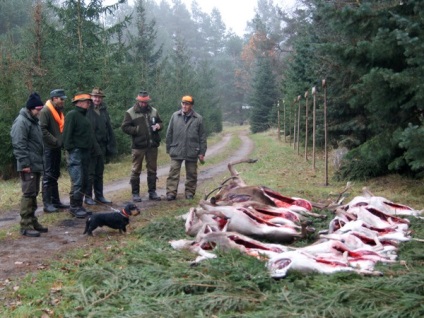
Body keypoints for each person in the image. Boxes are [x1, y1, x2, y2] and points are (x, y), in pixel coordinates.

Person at [10, 92, 48, 237]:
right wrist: (25, 163)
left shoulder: (34, 121)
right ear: (31, 108)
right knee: (28, 194)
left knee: (33, 193)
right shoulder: (21, 122)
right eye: (38, 109)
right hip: (28, 165)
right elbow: (19, 144)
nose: (39, 112)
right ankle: (25, 225)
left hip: (36, 164)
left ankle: (33, 220)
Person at [121, 91, 162, 202]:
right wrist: (136, 130)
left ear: (148, 101)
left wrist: (159, 126)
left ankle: (152, 192)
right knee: (136, 170)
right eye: (141, 102)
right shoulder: (130, 112)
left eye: (145, 102)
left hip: (152, 145)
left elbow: (161, 123)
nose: (143, 104)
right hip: (138, 146)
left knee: (152, 170)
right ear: (138, 101)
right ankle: (135, 193)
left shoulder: (154, 111)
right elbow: (124, 127)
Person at [165, 95, 207, 201]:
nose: (184, 106)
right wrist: (168, 148)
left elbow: (202, 136)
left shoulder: (198, 118)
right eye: (183, 103)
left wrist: (202, 152)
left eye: (187, 104)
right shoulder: (175, 116)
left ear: (191, 105)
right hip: (176, 149)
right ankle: (171, 193)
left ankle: (190, 192)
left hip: (192, 150)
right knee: (173, 173)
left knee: (192, 173)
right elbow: (169, 133)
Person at [63, 93, 95, 218]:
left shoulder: (85, 116)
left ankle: (79, 205)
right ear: (79, 103)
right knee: (77, 180)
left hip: (85, 152)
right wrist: (70, 150)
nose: (89, 103)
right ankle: (74, 206)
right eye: (87, 101)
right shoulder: (72, 115)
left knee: (85, 179)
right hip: (75, 152)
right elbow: (67, 134)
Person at [84, 87, 116, 205]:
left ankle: (99, 195)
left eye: (99, 97)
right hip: (91, 147)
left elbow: (108, 128)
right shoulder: (87, 110)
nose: (97, 99)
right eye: (95, 97)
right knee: (90, 173)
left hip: (102, 146)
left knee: (99, 172)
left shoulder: (103, 110)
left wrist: (110, 144)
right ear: (91, 97)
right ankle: (88, 196)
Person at [39, 89, 70, 213]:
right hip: (48, 148)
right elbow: (42, 129)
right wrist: (55, 141)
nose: (63, 101)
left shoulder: (58, 111)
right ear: (54, 98)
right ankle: (47, 204)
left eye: (63, 99)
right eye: (61, 99)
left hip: (56, 148)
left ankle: (55, 201)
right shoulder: (45, 111)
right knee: (48, 175)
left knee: (55, 174)